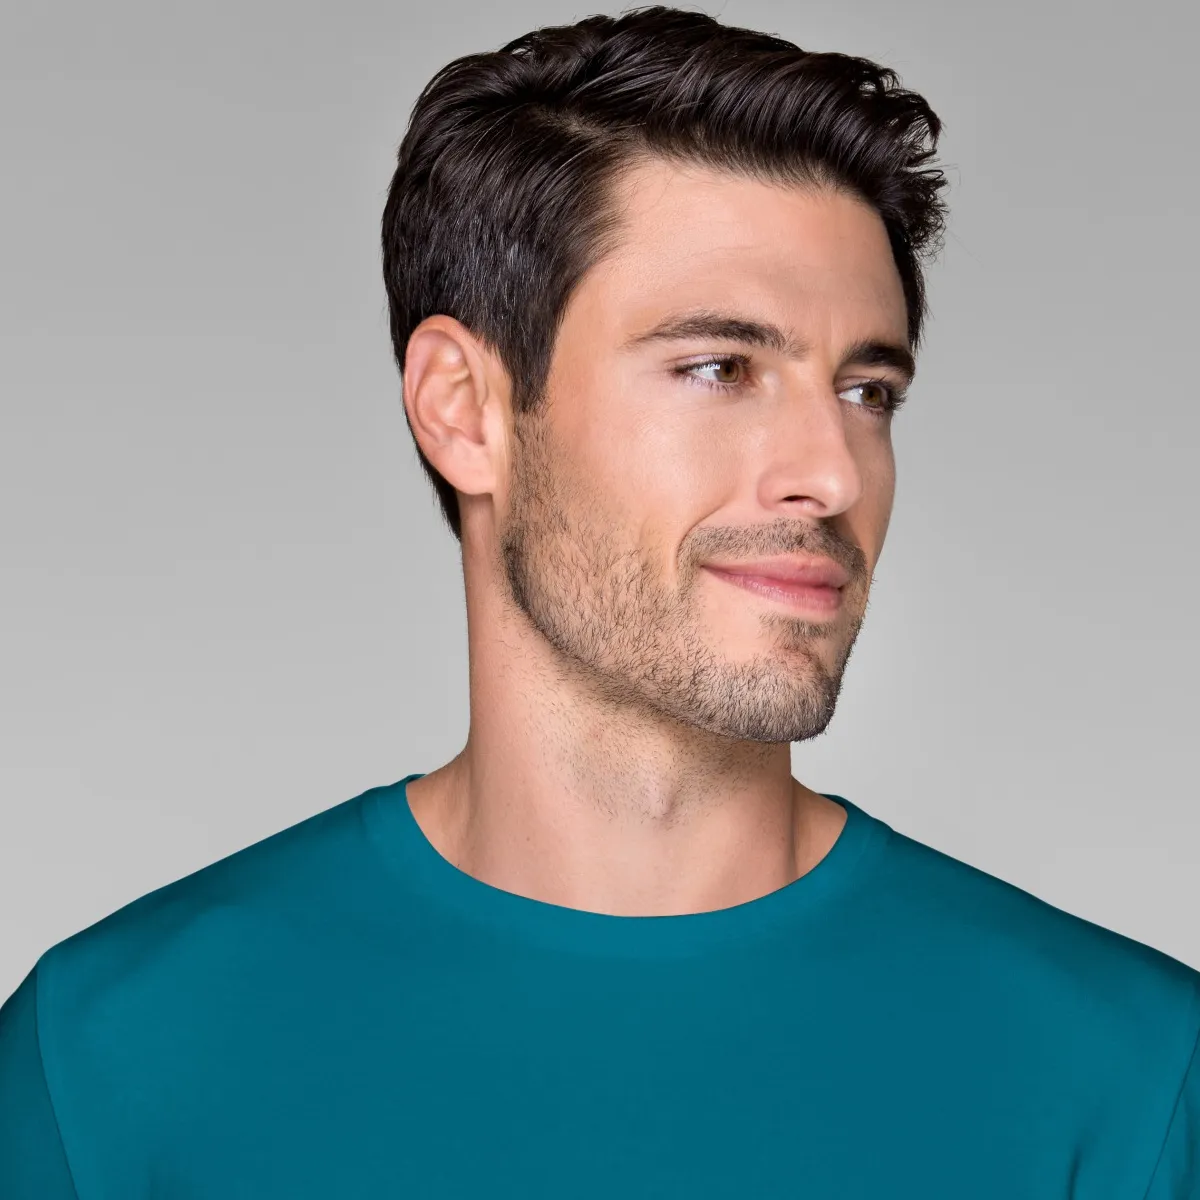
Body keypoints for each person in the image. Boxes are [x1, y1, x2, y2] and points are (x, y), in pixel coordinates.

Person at [2, 5, 1197, 1196]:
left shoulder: (1131, 1077)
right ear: (464, 410)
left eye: (866, 390)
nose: (833, 473)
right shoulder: (109, 1061)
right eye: (719, 368)